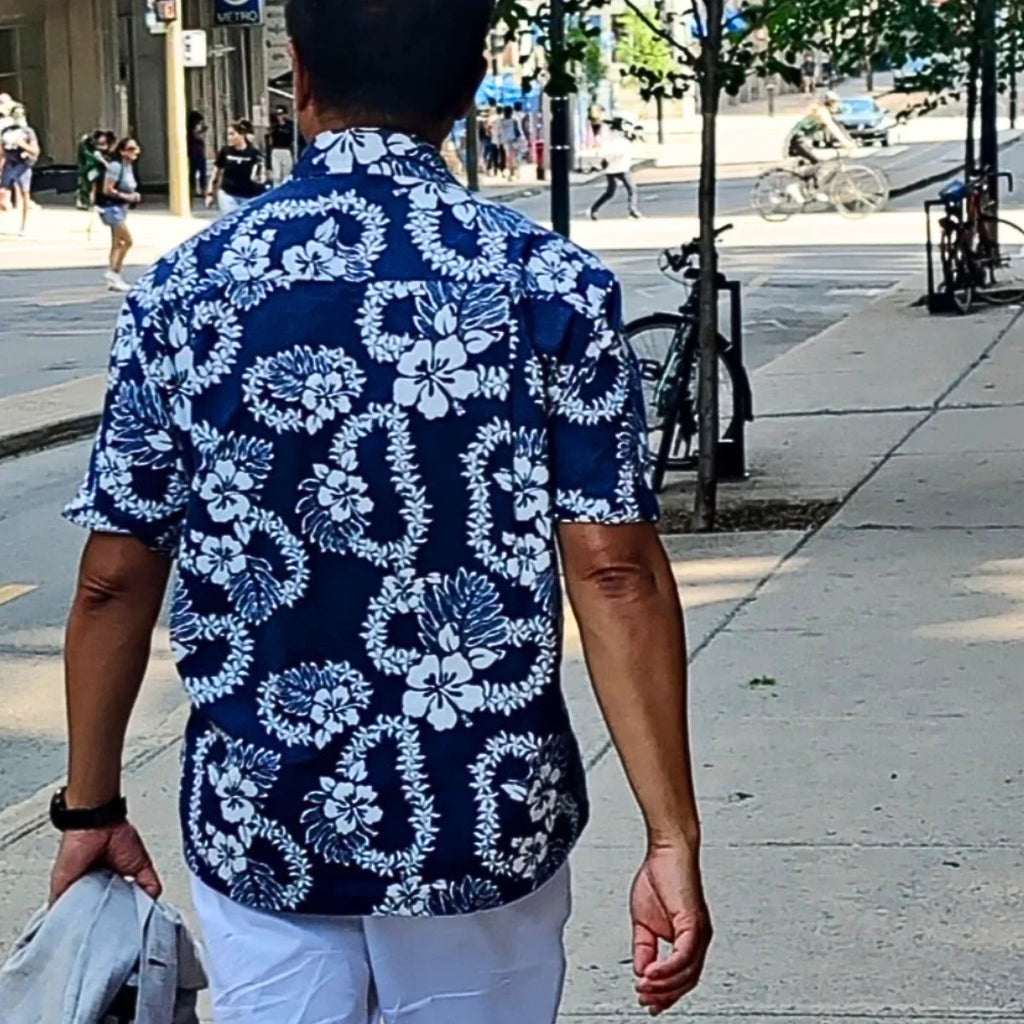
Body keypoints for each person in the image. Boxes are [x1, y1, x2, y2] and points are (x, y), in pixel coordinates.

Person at [51, 2, 712, 1023]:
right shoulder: (551, 284)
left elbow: (113, 577)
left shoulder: (185, 291)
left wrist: (89, 804)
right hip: (481, 816)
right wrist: (671, 834)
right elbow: (614, 568)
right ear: (467, 85)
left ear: (299, 79)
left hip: (265, 817)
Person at [786, 90, 856, 197]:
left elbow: (838, 128)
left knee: (822, 163)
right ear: (829, 103)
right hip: (799, 141)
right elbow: (832, 128)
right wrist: (845, 143)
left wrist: (848, 140)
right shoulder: (822, 112)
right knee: (818, 163)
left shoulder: (826, 113)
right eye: (836, 103)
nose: (838, 106)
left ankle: (810, 187)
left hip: (805, 142)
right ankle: (798, 188)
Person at [97, 137, 142, 292]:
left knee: (117, 243)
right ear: (122, 151)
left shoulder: (128, 166)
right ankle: (113, 272)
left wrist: (133, 195)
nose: (135, 152)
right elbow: (107, 189)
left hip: (121, 208)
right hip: (112, 208)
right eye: (130, 149)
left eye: (136, 148)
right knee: (127, 241)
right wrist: (127, 197)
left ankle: (114, 278)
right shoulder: (116, 166)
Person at [207, 120, 266, 215]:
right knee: (229, 220)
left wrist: (260, 179)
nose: (229, 138)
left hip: (247, 195)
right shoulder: (225, 151)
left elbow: (261, 174)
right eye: (228, 135)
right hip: (228, 194)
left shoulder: (254, 153)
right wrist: (210, 193)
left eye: (232, 134)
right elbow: (216, 172)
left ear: (241, 134)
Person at [590, 116, 641, 220]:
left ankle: (594, 209)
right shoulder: (618, 138)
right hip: (621, 168)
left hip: (613, 169)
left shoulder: (615, 137)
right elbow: (616, 152)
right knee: (631, 189)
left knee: (610, 192)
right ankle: (633, 210)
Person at [0, 104, 40, 236]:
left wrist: (23, 146)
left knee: (24, 194)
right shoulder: (6, 132)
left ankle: (24, 226)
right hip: (9, 164)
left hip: (23, 165)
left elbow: (35, 150)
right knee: (2, 193)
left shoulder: (28, 132)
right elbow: (2, 150)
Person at [76, 129, 113, 211]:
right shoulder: (89, 149)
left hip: (96, 168)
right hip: (91, 168)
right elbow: (95, 157)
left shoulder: (97, 150)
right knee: (92, 186)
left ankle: (90, 202)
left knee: (95, 185)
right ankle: (89, 202)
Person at [266, 104, 297, 185]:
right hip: (276, 150)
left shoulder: (290, 125)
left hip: (286, 149)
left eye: (281, 114)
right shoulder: (274, 125)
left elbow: (293, 137)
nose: (279, 117)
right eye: (277, 114)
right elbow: (269, 138)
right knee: (276, 175)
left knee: (286, 174)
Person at [187, 110, 209, 200]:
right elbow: (198, 137)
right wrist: (202, 131)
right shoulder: (194, 129)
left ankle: (193, 189)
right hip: (197, 152)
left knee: (193, 172)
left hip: (193, 152)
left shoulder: (189, 129)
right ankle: (202, 189)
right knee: (201, 171)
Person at [498, 103, 522, 179]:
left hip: (504, 141)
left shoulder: (501, 121)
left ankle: (510, 171)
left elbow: (499, 132)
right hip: (513, 140)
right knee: (514, 156)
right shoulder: (514, 121)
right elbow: (517, 131)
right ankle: (514, 171)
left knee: (508, 157)